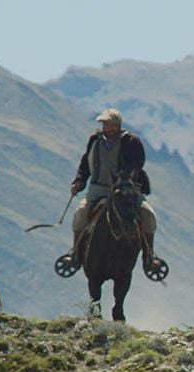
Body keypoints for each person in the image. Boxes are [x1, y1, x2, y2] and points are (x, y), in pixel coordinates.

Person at [65, 108, 158, 269]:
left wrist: (126, 179)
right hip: (98, 188)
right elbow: (86, 163)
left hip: (126, 190)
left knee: (148, 215)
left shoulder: (131, 142)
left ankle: (149, 257)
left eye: (107, 123)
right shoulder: (95, 140)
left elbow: (138, 164)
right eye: (103, 124)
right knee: (80, 213)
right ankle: (76, 254)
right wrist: (79, 181)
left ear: (116, 125)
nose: (104, 127)